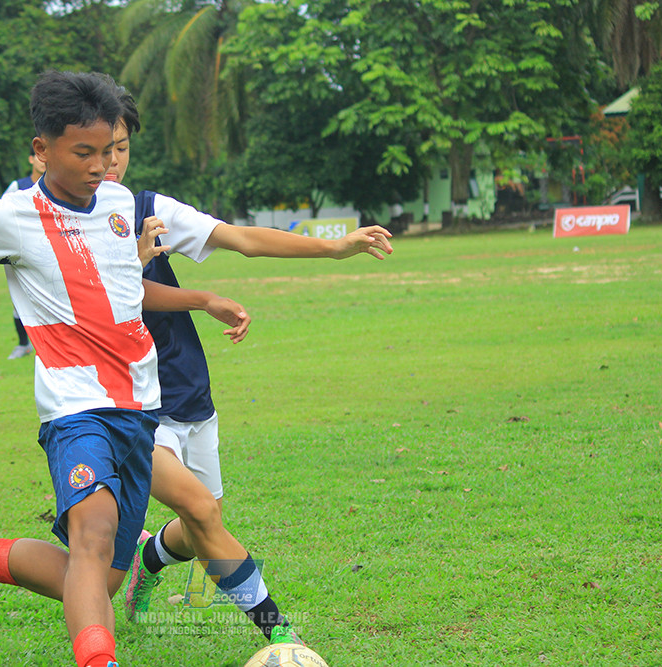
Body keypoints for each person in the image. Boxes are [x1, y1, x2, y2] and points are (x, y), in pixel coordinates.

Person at [0, 70, 249, 667]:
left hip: (140, 411)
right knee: (93, 534)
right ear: (41, 151)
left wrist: (200, 298)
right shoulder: (7, 218)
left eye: (110, 150)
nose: (102, 166)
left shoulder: (122, 206)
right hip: (74, 409)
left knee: (97, 579)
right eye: (84, 153)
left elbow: (124, 297)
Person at [107, 90, 395, 646]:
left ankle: (148, 560)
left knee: (200, 527)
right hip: (128, 399)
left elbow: (241, 238)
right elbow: (109, 299)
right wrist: (199, 296)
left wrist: (334, 248)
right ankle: (283, 639)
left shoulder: (149, 208)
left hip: (187, 388)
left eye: (120, 148)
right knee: (203, 517)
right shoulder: (71, 226)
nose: (111, 162)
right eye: (98, 149)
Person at [2, 147, 47, 359]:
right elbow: (2, 212)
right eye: (38, 156)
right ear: (31, 159)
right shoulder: (18, 187)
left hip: (47, 250)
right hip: (21, 251)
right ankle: (23, 344)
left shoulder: (58, 186)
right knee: (19, 298)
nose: (42, 161)